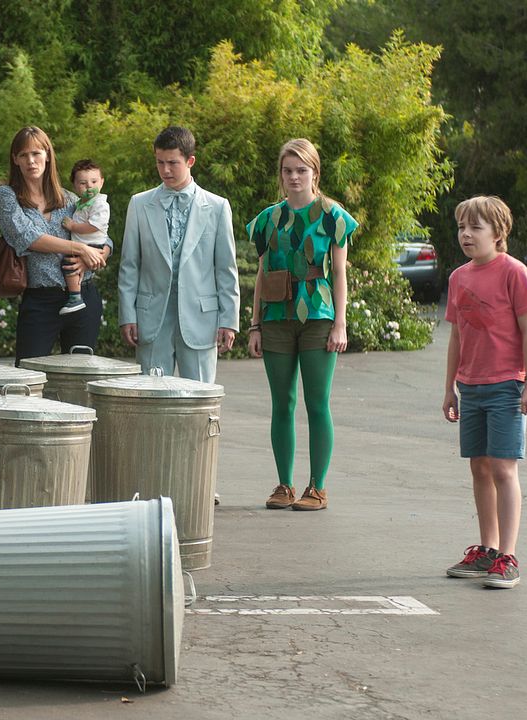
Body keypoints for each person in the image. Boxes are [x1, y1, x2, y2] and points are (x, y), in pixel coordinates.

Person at [245, 138, 356, 512]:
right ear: (280, 174)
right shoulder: (268, 219)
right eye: (288, 170)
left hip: (319, 316)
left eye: (301, 170)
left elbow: (339, 273)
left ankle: (317, 487)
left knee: (317, 402)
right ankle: (284, 485)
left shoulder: (332, 216)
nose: (294, 177)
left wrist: (340, 323)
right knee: (282, 402)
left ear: (315, 173)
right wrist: (255, 325)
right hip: (276, 316)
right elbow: (263, 273)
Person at [442, 195, 527, 589]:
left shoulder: (514, 272)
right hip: (470, 387)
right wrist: (449, 388)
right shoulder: (458, 277)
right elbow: (456, 336)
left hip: (506, 386)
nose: (466, 234)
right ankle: (487, 549)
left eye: (475, 227)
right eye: (461, 228)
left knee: (503, 468)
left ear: (498, 233)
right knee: (479, 467)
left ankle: (507, 557)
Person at [117, 125, 240, 383]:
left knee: (199, 397)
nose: (165, 170)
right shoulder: (139, 204)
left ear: (190, 161)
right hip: (151, 317)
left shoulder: (217, 207)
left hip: (201, 318)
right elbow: (130, 265)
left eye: (173, 163)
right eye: (160, 162)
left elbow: (226, 269)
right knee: (151, 397)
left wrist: (229, 320)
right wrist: (127, 315)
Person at [0, 127, 112, 363]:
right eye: (24, 155)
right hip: (40, 301)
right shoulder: (7, 196)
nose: (31, 161)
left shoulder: (70, 199)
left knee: (79, 377)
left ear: (47, 155)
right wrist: (80, 249)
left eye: (36, 153)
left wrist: (98, 255)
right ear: (15, 159)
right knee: (30, 374)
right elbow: (28, 237)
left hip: (83, 297)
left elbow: (102, 236)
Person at [58, 159, 111, 315]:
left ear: (102, 182)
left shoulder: (100, 204)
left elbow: (94, 226)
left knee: (69, 264)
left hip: (93, 245)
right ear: (74, 186)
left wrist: (73, 227)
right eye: (83, 183)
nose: (89, 186)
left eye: (94, 181)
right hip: (86, 245)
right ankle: (76, 293)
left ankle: (75, 297)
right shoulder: (81, 203)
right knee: (72, 265)